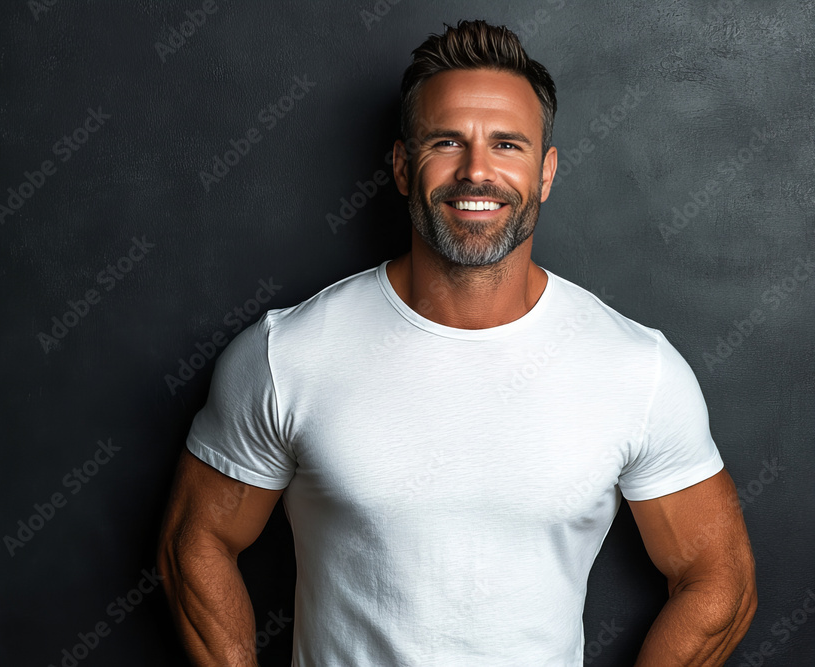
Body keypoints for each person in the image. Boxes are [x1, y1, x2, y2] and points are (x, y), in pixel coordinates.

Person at [158, 19, 757, 666]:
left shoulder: (637, 370)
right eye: (447, 142)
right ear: (402, 166)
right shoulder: (289, 354)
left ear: (546, 172)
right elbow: (194, 541)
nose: (477, 171)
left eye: (507, 144)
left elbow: (719, 578)